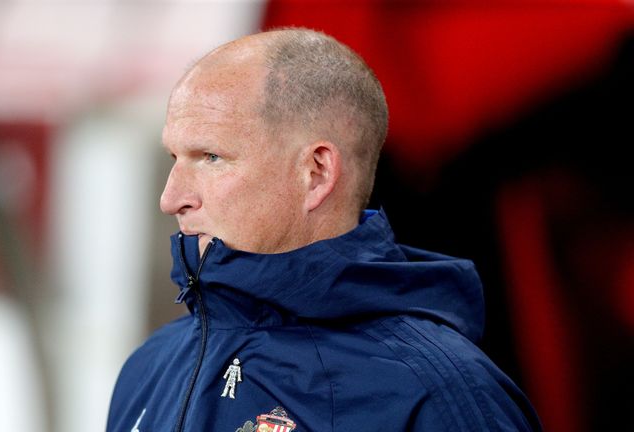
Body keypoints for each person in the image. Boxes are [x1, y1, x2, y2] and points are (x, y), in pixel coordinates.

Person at [107, 28, 542, 431]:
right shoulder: (149, 366)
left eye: (211, 157)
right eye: (174, 158)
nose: (171, 198)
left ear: (316, 172)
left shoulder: (439, 397)